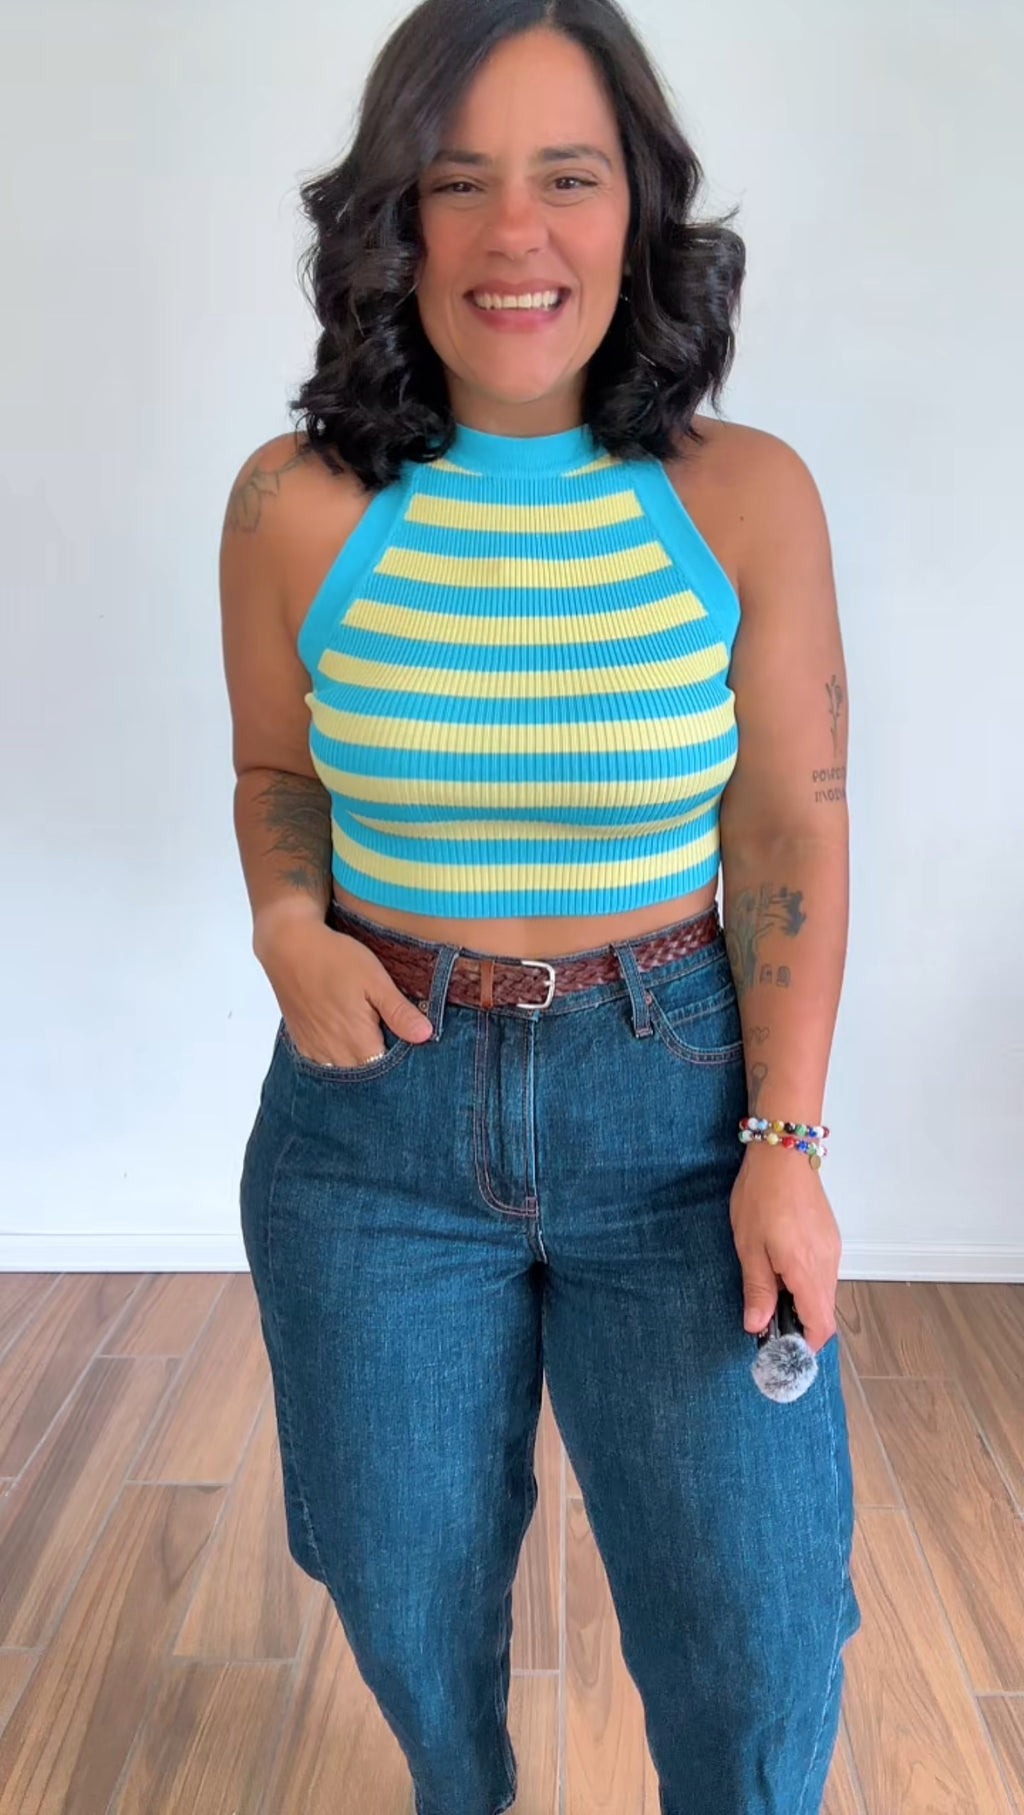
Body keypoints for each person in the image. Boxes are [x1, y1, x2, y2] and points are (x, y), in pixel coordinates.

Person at [219, 1, 862, 1809]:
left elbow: (789, 831)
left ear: (637, 209)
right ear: (393, 221)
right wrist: (285, 927)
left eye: (568, 178)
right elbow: (275, 773)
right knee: (405, 1594)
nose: (517, 233)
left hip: (678, 1107)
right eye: (459, 181)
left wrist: (788, 1138)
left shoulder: (744, 498)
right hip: (375, 1126)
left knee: (757, 1625)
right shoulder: (292, 505)